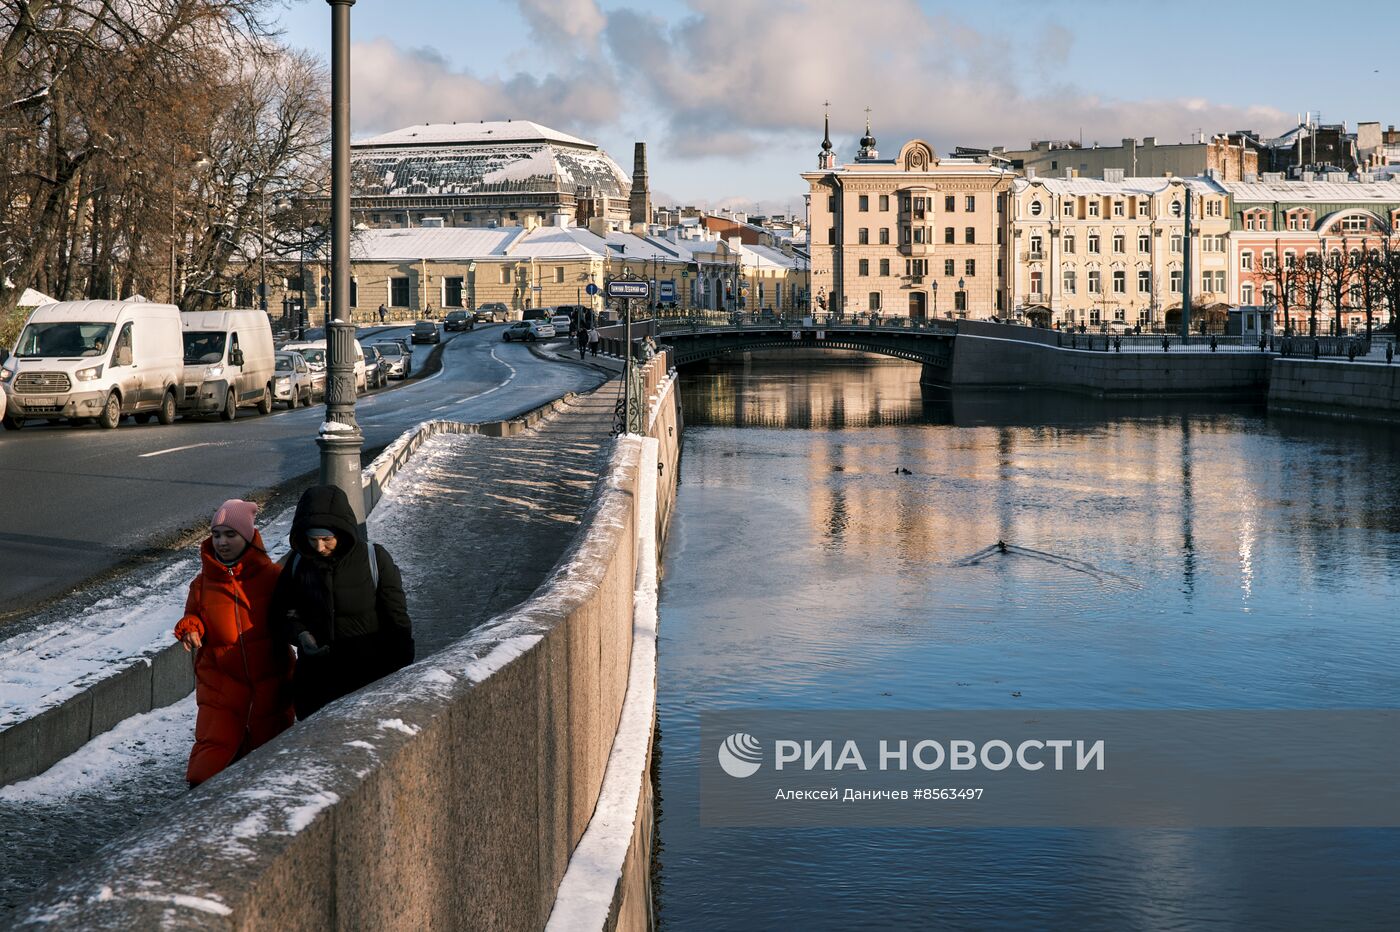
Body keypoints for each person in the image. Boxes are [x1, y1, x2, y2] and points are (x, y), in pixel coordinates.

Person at [173, 500, 293, 786]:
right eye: (216, 535)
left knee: (268, 765)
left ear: (248, 537)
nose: (222, 542)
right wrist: (190, 627)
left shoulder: (272, 577)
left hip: (270, 683)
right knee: (206, 770)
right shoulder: (201, 584)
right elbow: (192, 614)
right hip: (220, 685)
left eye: (230, 535)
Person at [270, 485, 414, 719]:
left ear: (342, 532)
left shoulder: (374, 558)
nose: (319, 547)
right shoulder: (298, 564)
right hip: (316, 686)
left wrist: (400, 674)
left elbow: (397, 621)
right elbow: (281, 613)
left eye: (327, 539)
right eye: (312, 539)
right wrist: (301, 635)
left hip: (367, 681)